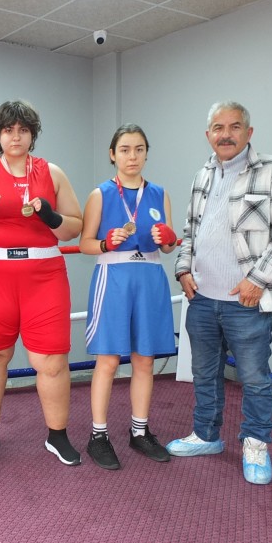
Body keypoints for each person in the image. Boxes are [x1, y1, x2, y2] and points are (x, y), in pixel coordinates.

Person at [167, 101, 272, 485]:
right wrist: (182, 269)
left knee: (254, 377)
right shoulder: (203, 175)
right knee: (204, 373)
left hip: (247, 300)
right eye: (218, 127)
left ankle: (256, 444)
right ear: (208, 134)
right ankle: (206, 436)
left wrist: (258, 279)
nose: (225, 134)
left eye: (234, 126)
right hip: (202, 299)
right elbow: (191, 231)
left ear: (249, 132)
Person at [0, 100, 83, 466]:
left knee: (52, 358)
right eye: (9, 130)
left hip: (43, 276)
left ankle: (57, 435)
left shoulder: (51, 172)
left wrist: (52, 217)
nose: (16, 136)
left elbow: (74, 227)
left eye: (23, 130)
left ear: (32, 134)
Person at [78, 124, 177, 470]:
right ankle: (98, 435)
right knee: (107, 360)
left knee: (144, 360)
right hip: (114, 277)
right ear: (112, 154)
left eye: (138, 149)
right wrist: (106, 243)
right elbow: (85, 244)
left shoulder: (160, 193)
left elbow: (167, 246)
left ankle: (139, 431)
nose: (132, 156)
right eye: (124, 149)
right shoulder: (101, 194)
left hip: (150, 276)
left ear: (146, 153)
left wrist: (169, 239)